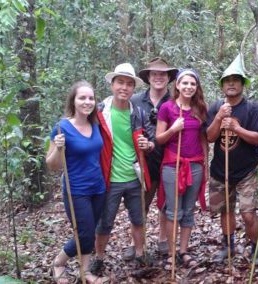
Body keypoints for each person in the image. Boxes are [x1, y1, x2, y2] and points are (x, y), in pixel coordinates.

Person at [90, 63, 154, 274]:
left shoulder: (139, 113)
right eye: (120, 83)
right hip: (110, 177)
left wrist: (149, 145)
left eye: (129, 84)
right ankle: (98, 258)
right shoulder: (99, 112)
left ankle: (139, 254)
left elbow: (150, 140)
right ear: (112, 84)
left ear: (133, 88)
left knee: (138, 218)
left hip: (135, 175)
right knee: (105, 222)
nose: (124, 88)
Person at [46, 80, 109, 284]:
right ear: (73, 101)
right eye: (82, 98)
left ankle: (85, 272)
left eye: (91, 98)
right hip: (76, 190)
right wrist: (58, 147)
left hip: (98, 188)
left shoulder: (95, 124)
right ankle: (59, 262)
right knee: (84, 233)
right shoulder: (61, 127)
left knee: (89, 232)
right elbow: (52, 165)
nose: (87, 102)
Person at [205, 54, 258, 265]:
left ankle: (256, 249)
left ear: (242, 84)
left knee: (248, 214)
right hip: (221, 171)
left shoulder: (253, 108)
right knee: (226, 211)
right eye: (227, 81)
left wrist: (237, 128)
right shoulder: (216, 108)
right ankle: (228, 246)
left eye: (236, 80)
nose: (231, 84)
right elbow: (209, 137)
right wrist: (219, 118)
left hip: (246, 171)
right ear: (222, 86)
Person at [123, 57, 178, 259]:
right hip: (142, 162)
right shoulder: (135, 101)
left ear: (169, 77)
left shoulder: (175, 101)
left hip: (168, 160)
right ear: (148, 77)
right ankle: (135, 242)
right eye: (154, 73)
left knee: (165, 203)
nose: (158, 77)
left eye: (162, 74)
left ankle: (163, 239)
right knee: (140, 204)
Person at [156, 69, 208, 269]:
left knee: (188, 210)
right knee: (173, 210)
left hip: (195, 164)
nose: (188, 87)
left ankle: (183, 251)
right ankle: (171, 253)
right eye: (184, 83)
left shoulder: (200, 108)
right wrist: (173, 129)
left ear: (196, 88)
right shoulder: (167, 108)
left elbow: (203, 138)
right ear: (177, 85)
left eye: (192, 84)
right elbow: (159, 139)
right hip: (173, 164)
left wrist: (206, 163)